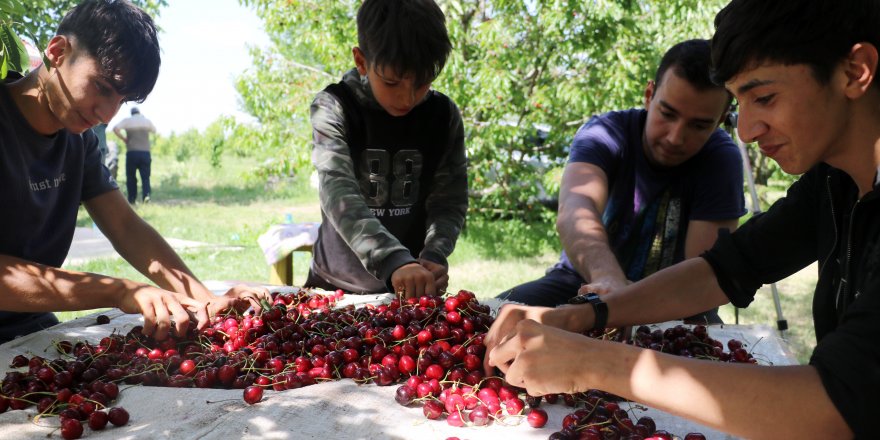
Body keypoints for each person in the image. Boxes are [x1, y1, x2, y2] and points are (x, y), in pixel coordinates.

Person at [484, 0, 880, 438]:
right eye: (739, 105)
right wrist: (585, 316)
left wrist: (590, 362)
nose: (746, 130)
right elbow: (728, 266)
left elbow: (837, 406)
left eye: (764, 97)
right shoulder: (833, 182)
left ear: (855, 70)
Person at [0, 0, 266, 344]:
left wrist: (206, 300)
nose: (109, 114)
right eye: (103, 87)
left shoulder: (78, 142)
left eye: (122, 100)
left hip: (31, 330)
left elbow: (125, 226)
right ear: (58, 51)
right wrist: (119, 290)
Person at [498, 39, 745, 324]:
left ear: (721, 119)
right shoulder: (604, 133)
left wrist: (624, 303)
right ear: (649, 95)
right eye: (667, 114)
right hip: (582, 283)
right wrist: (608, 280)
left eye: (699, 125)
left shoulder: (722, 159)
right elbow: (575, 210)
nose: (676, 137)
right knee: (496, 319)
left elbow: (701, 274)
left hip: (676, 302)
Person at [305, 0, 467, 299]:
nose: (407, 97)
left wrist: (435, 252)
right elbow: (337, 192)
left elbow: (449, 200)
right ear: (361, 61)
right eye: (392, 82)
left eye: (421, 83)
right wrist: (393, 260)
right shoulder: (334, 106)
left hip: (411, 289)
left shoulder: (443, 115)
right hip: (335, 286)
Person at [113, 106, 155, 203]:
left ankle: (132, 199)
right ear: (139, 112)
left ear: (131, 113)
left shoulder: (127, 121)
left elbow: (115, 129)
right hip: (145, 153)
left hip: (132, 152)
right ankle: (146, 196)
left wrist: (124, 139)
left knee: (131, 177)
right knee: (145, 177)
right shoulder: (146, 121)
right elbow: (154, 130)